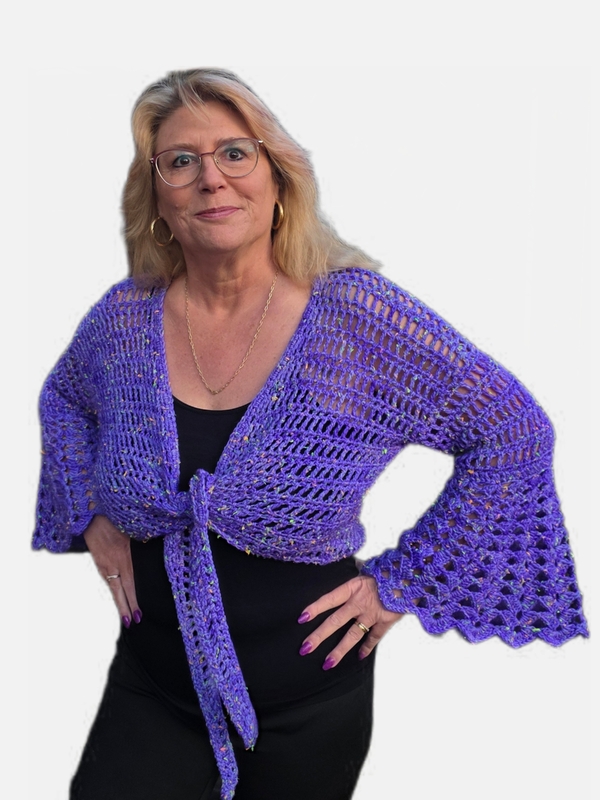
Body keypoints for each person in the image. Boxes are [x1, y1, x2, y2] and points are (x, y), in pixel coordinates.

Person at [32, 68, 589, 800]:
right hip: (152, 690)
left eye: (236, 153)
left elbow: (513, 433)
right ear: (157, 196)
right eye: (181, 160)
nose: (211, 178)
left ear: (279, 177)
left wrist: (404, 584)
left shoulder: (356, 316)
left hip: (311, 707)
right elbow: (64, 398)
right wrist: (88, 509)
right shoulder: (124, 319)